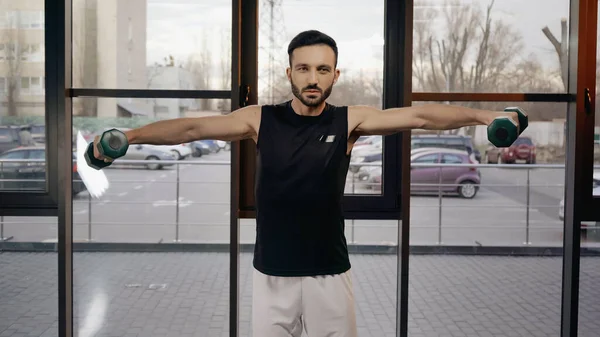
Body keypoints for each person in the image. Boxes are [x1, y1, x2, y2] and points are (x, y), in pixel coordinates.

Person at [93, 30, 520, 337]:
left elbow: (421, 116)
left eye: (322, 69)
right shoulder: (260, 118)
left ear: (335, 75)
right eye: (303, 68)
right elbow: (191, 128)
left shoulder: (349, 120)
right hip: (272, 274)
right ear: (289, 73)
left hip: (329, 274)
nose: (312, 78)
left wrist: (487, 118)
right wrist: (129, 137)